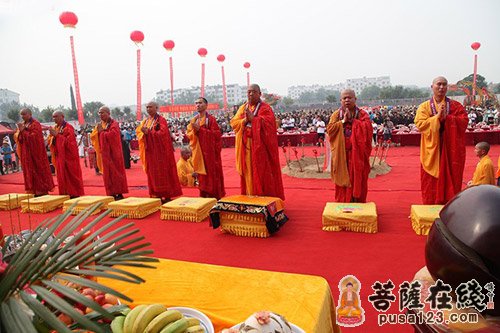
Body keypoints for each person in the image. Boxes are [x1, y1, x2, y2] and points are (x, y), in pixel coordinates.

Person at [414, 76, 468, 204]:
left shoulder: (456, 106)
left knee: (452, 179)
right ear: (432, 87)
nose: (442, 87)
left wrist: (448, 119)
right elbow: (420, 124)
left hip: (451, 150)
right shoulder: (424, 107)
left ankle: (451, 209)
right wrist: (436, 118)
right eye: (439, 84)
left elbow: (464, 121)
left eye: (444, 85)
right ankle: (430, 208)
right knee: (431, 182)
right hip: (432, 150)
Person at [230, 84, 285, 200]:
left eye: (254, 92)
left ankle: (263, 199)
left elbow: (270, 126)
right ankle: (249, 196)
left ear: (259, 94)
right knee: (248, 171)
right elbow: (234, 123)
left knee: (261, 172)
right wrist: (245, 120)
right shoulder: (243, 108)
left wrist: (254, 120)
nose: (250, 94)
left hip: (260, 147)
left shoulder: (265, 108)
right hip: (246, 146)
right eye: (249, 91)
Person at [326, 89, 372, 203]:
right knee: (342, 180)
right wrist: (343, 122)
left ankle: (358, 202)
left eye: (349, 97)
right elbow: (330, 130)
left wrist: (353, 122)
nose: (347, 100)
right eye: (344, 98)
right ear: (341, 100)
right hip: (342, 155)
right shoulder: (337, 115)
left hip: (357, 155)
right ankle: (342, 202)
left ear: (355, 99)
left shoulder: (362, 114)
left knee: (358, 178)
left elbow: (368, 129)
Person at [136, 101, 182, 203]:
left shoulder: (161, 120)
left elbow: (163, 134)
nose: (148, 109)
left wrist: (149, 133)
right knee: (153, 174)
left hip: (161, 154)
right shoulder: (146, 121)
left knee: (163, 174)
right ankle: (156, 194)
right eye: (147, 107)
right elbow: (139, 132)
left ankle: (166, 195)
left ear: (156, 108)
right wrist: (144, 133)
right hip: (150, 153)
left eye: (150, 107)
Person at [186, 97, 226, 199]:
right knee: (201, 175)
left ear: (206, 105)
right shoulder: (194, 120)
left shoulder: (210, 120)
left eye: (200, 103)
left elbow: (217, 135)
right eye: (196, 103)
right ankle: (204, 194)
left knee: (211, 174)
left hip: (210, 154)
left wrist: (201, 130)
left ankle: (214, 196)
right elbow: (190, 135)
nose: (198, 105)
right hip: (199, 153)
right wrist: (195, 132)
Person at [90, 106, 129, 200]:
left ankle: (119, 193)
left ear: (108, 113)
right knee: (108, 174)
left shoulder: (113, 124)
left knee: (116, 173)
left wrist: (101, 133)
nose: (100, 115)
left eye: (102, 112)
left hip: (114, 154)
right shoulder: (100, 124)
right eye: (99, 113)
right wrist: (99, 133)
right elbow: (93, 137)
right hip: (105, 154)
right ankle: (111, 193)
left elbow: (114, 135)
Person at [15, 108, 54, 196]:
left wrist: (23, 131)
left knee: (38, 170)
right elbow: (20, 140)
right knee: (28, 171)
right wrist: (20, 133)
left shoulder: (35, 124)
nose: (22, 116)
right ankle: (32, 190)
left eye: (24, 114)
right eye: (21, 114)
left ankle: (41, 191)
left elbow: (34, 138)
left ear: (30, 114)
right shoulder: (23, 124)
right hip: (26, 153)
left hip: (36, 153)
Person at [48, 110, 84, 198]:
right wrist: (53, 137)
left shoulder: (68, 127)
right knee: (61, 176)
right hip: (59, 157)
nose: (54, 119)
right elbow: (50, 141)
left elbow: (71, 144)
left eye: (56, 116)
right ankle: (65, 194)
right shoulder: (55, 127)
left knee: (71, 176)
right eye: (53, 117)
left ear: (62, 116)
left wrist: (57, 136)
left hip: (69, 158)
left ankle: (74, 194)